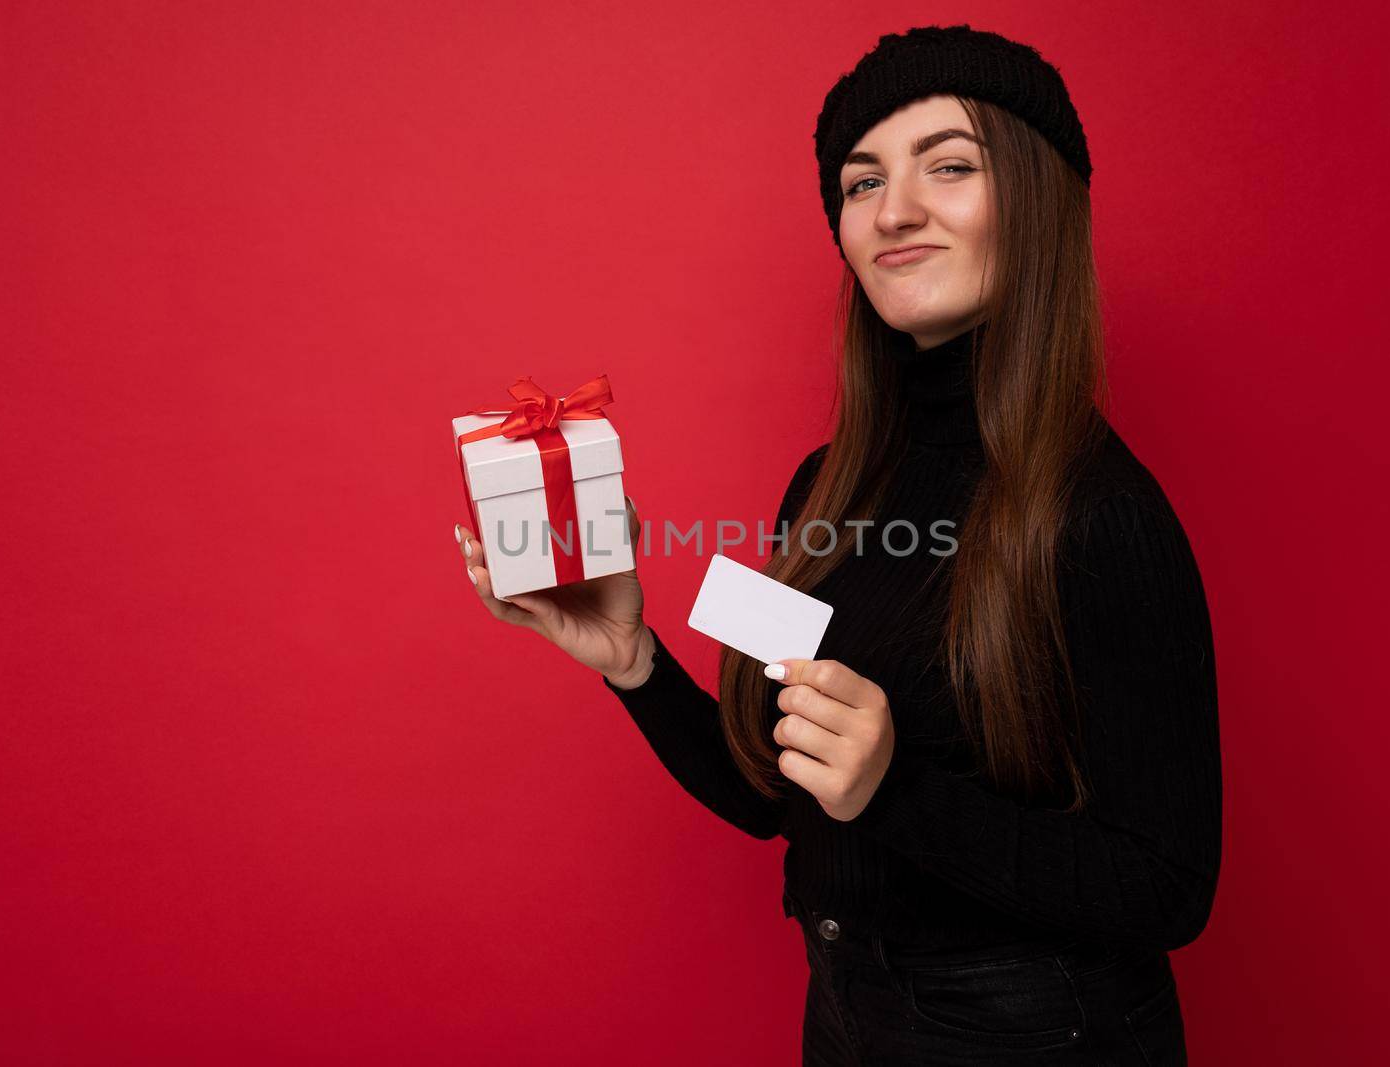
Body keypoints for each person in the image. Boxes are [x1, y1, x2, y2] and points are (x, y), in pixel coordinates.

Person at [455, 24, 1220, 1066]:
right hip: (848, 1015)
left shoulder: (1103, 512)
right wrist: (631, 659)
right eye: (862, 183)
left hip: (1037, 1032)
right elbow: (778, 794)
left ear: (1039, 202)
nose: (894, 209)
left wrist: (894, 786)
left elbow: (1169, 889)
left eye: (949, 165)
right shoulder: (823, 487)